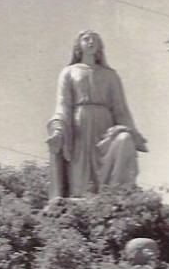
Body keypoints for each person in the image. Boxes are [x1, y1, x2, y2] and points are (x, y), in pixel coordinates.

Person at [47, 30, 148, 199]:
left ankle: (116, 197)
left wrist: (134, 133)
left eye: (95, 39)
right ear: (78, 45)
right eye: (86, 39)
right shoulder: (69, 72)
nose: (91, 42)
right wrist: (58, 131)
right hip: (80, 128)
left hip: (106, 128)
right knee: (82, 189)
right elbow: (63, 105)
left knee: (124, 140)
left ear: (100, 45)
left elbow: (120, 109)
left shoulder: (110, 75)